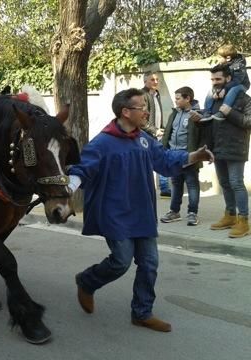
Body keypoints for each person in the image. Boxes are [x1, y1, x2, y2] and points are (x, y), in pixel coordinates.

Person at [68, 88, 214, 332]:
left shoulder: (144, 139)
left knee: (149, 263)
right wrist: (69, 187)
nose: (146, 111)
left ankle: (142, 312)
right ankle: (87, 281)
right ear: (125, 112)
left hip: (142, 212)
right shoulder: (102, 143)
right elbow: (84, 169)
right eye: (141, 107)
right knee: (120, 262)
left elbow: (165, 161)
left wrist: (194, 155)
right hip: (114, 214)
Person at [192, 64, 251, 238]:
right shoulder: (213, 99)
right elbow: (210, 121)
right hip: (217, 147)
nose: (215, 83)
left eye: (218, 79)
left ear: (228, 79)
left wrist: (230, 112)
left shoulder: (243, 98)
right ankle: (230, 215)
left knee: (236, 183)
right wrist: (198, 120)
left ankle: (244, 221)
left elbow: (249, 122)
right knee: (225, 183)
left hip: (235, 147)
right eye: (212, 79)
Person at [160, 87, 203, 226]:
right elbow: (169, 132)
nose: (175, 100)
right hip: (173, 156)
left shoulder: (196, 114)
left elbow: (202, 135)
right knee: (176, 184)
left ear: (187, 99)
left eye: (178, 98)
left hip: (189, 156)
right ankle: (174, 211)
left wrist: (198, 154)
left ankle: (192, 213)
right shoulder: (175, 113)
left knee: (192, 185)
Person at [141, 71, 171, 197]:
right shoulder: (143, 95)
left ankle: (164, 188)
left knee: (161, 157)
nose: (156, 82)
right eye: (152, 80)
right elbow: (142, 119)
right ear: (145, 81)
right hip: (147, 133)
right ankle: (146, 188)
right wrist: (154, 130)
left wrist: (161, 129)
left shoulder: (156, 95)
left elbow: (157, 114)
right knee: (146, 162)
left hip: (158, 132)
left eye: (157, 79)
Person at [200, 44, 250, 122]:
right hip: (228, 85)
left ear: (228, 58)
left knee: (233, 89)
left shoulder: (239, 65)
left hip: (241, 85)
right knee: (210, 91)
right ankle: (207, 112)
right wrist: (215, 91)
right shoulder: (224, 65)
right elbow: (217, 80)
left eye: (220, 57)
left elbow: (237, 81)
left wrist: (225, 89)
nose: (218, 58)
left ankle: (223, 111)